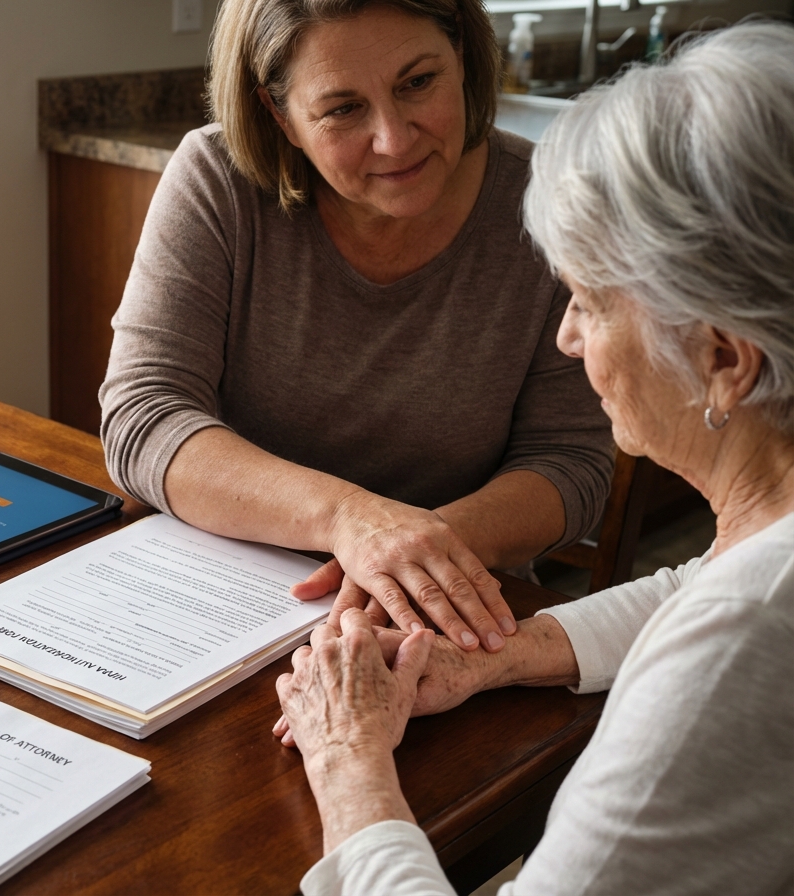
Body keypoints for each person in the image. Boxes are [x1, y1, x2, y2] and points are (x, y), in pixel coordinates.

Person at [274, 20, 794, 895]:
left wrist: (349, 760)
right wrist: (502, 654)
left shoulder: (747, 636)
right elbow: (709, 583)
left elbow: (735, 618)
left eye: (591, 303)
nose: (565, 337)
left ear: (723, 359)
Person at [99, 0, 614, 655]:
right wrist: (350, 519)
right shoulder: (215, 179)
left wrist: (411, 551)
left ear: (461, 55)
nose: (395, 139)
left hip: (453, 617)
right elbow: (144, 416)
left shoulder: (549, 204)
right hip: (225, 598)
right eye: (342, 108)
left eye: (418, 82)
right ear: (279, 115)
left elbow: (573, 464)